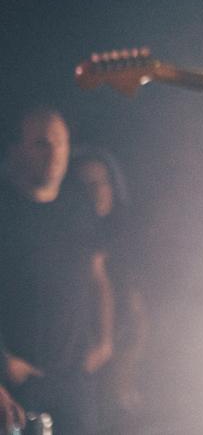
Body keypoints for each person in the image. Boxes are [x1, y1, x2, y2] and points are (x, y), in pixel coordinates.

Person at [0, 105, 115, 433]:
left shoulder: (78, 207)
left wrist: (104, 340)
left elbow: (98, 276)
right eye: (42, 144)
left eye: (60, 143)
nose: (54, 153)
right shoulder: (5, 210)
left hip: (74, 379)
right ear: (17, 150)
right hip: (17, 382)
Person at [73, 146, 150, 427]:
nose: (96, 191)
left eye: (102, 182)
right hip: (83, 356)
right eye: (86, 184)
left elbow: (135, 303)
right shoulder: (68, 241)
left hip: (125, 352)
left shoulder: (126, 235)